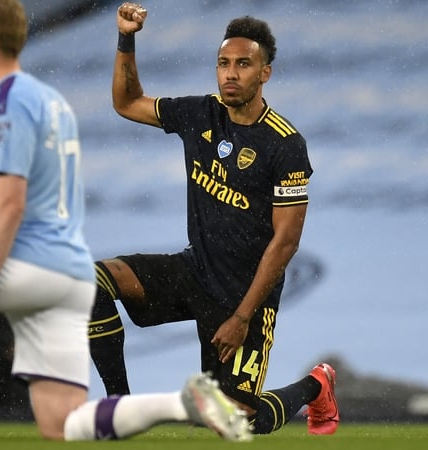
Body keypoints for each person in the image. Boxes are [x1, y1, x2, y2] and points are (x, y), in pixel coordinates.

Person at [0, 0, 251, 442]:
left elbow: (11, 206)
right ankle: (182, 402)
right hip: (66, 274)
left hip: (25, 262)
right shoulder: (45, 101)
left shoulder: (8, 102)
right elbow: (33, 187)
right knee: (62, 424)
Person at [87, 2, 339, 436]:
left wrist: (242, 317)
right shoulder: (200, 114)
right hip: (195, 273)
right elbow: (126, 102)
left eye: (244, 64)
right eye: (223, 63)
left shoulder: (285, 144)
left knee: (235, 423)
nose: (230, 73)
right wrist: (126, 38)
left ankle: (316, 386)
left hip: (247, 298)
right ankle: (118, 410)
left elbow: (285, 243)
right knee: (91, 280)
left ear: (265, 73)